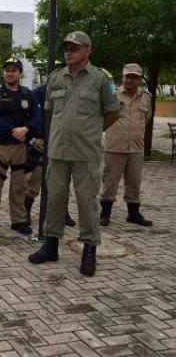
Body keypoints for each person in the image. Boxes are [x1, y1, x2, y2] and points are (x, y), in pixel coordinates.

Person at [29, 31, 121, 277]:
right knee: (55, 198)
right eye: (66, 48)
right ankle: (51, 245)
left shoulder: (101, 79)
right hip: (58, 151)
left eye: (75, 48)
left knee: (87, 202)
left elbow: (113, 112)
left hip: (86, 153)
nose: (69, 52)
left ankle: (89, 249)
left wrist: (91, 132)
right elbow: (49, 112)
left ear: (88, 51)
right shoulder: (55, 78)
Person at [0, 58, 41, 236]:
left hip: (21, 148)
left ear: (20, 73)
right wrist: (14, 130)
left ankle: (18, 220)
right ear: (3, 73)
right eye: (7, 70)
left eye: (14, 70)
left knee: (19, 186)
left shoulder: (28, 94)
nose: (10, 73)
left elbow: (38, 118)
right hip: (0, 146)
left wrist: (26, 129)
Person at [99, 63, 152, 227]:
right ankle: (105, 214)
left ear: (139, 79)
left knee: (134, 182)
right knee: (110, 182)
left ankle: (133, 214)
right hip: (115, 146)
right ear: (122, 77)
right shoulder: (113, 94)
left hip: (136, 147)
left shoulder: (146, 97)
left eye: (134, 77)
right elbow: (103, 116)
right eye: (128, 76)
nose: (131, 80)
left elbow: (147, 118)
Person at [25, 84, 75, 228]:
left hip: (62, 140)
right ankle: (25, 211)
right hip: (42, 140)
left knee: (62, 178)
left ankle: (63, 212)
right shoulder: (38, 92)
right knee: (35, 178)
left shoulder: (71, 89)